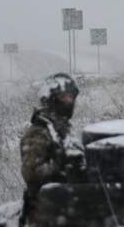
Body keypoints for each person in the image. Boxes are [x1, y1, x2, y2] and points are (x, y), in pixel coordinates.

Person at [19, 72, 81, 227]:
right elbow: (31, 172)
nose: (70, 101)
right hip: (45, 212)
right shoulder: (39, 131)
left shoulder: (60, 128)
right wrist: (60, 165)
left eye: (71, 97)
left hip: (65, 206)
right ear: (52, 98)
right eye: (64, 96)